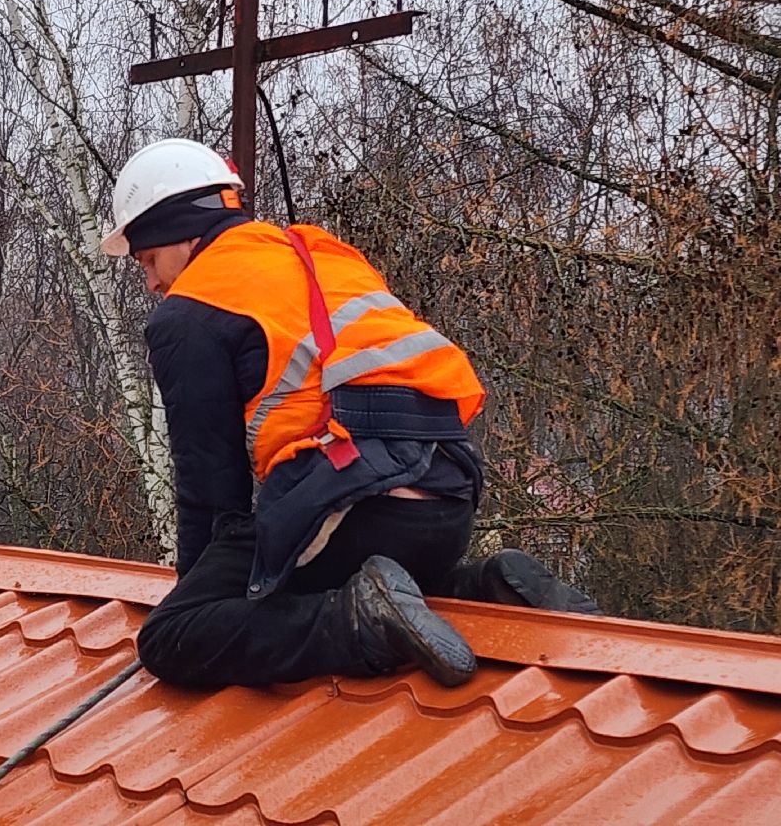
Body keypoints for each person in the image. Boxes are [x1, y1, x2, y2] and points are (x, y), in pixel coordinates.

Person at [101, 138, 599, 689]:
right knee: (332, 568)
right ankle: (484, 590)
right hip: (449, 497)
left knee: (174, 638)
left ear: (182, 232)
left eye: (148, 259)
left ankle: (363, 623)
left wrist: (203, 601)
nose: (151, 282)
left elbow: (209, 486)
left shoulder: (190, 312)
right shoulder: (313, 253)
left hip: (355, 503)